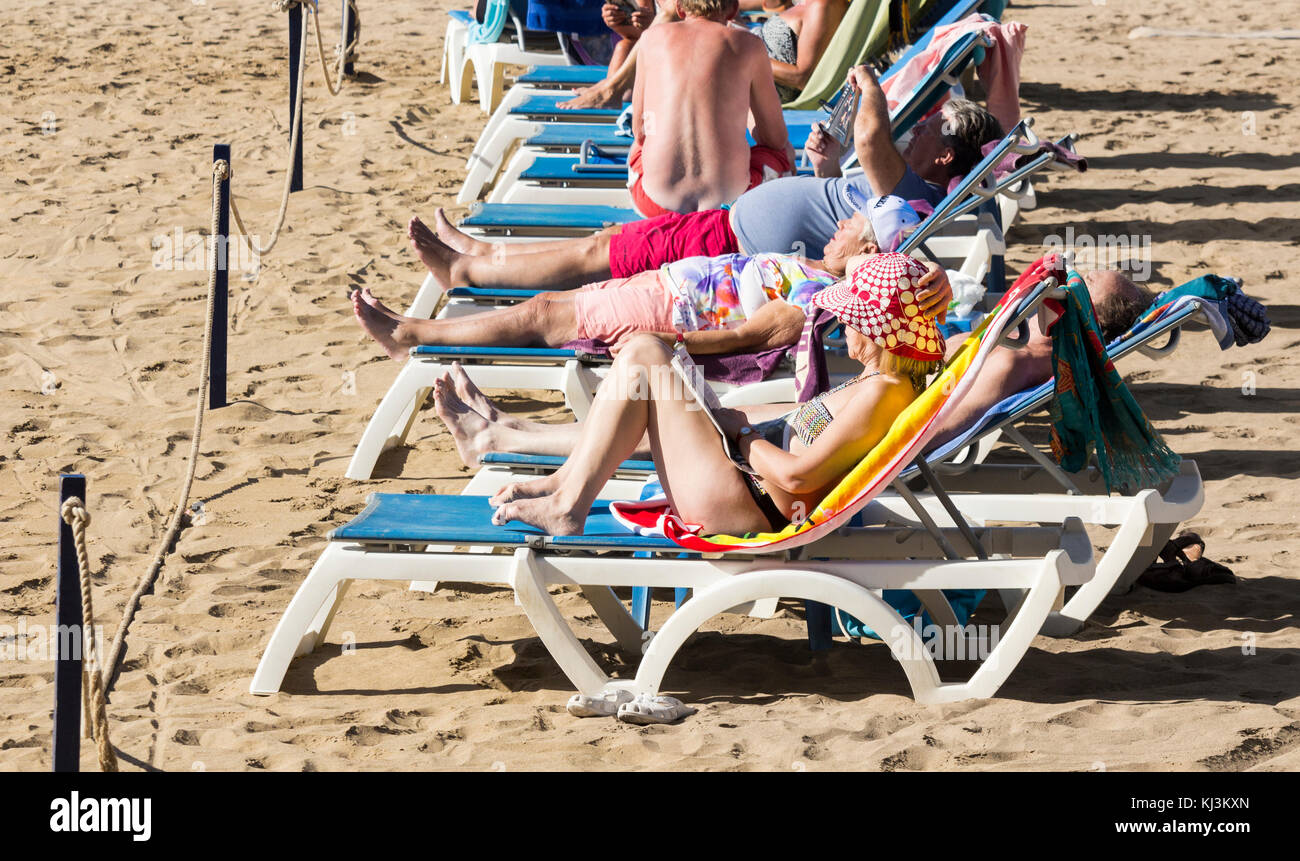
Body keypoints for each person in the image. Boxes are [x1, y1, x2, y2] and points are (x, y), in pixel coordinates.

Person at [431, 268, 1154, 469]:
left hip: (824, 454)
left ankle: (511, 442)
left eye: (1072, 291)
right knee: (666, 417)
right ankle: (510, 435)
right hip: (833, 429)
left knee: (664, 394)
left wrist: (755, 448)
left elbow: (907, 432)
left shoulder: (1014, 362)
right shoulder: (1016, 353)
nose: (1050, 290)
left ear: (1070, 319)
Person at [482, 252, 946, 536]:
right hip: (742, 488)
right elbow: (808, 431)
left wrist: (743, 436)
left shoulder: (883, 392)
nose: (842, 326)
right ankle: (565, 484)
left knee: (646, 349)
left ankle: (567, 503)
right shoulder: (882, 384)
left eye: (852, 318)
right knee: (652, 363)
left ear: (879, 330)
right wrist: (727, 419)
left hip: (742, 501)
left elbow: (800, 477)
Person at [410, 74, 1002, 292]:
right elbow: (842, 202)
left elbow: (872, 140)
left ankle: (469, 270)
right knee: (608, 242)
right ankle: (483, 251)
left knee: (603, 254)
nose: (920, 128)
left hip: (731, 249)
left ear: (946, 154)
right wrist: (825, 168)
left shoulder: (916, 192)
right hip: (731, 226)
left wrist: (870, 85)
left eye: (933, 128)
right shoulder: (898, 191)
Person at [356, 201, 950, 363]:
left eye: (853, 224)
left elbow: (756, 335)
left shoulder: (825, 299)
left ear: (870, 248)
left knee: (544, 316)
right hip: (669, 285)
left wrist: (668, 345)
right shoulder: (825, 275)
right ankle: (431, 314)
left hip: (675, 314)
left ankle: (411, 333)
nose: (840, 222)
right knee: (551, 305)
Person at [928, 269, 1155, 447]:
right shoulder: (1014, 335)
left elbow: (933, 431)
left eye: (1082, 284)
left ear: (1085, 317)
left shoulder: (1015, 360)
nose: (1063, 277)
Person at [622, 0, 794, 216]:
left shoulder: (651, 38)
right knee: (782, 152)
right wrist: (746, 120)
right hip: (730, 205)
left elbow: (639, 131)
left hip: (656, 204)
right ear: (733, 10)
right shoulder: (749, 45)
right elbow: (775, 139)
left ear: (680, 8)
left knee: (640, 145)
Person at [561, 0, 847, 109]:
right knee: (658, 23)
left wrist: (738, 47)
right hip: (738, 58)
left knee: (671, 16)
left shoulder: (824, 5)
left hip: (750, 75)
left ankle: (613, 91)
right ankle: (614, 90)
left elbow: (803, 78)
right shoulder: (801, 3)